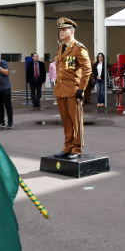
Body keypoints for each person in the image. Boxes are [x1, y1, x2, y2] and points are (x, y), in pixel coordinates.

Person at [53, 18, 92, 158]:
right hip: (60, 89)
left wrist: (81, 89)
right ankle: (67, 146)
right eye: (60, 30)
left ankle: (77, 148)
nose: (61, 32)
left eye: (64, 30)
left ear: (72, 31)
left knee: (76, 120)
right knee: (66, 120)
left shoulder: (79, 48)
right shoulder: (61, 47)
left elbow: (87, 70)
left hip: (73, 90)